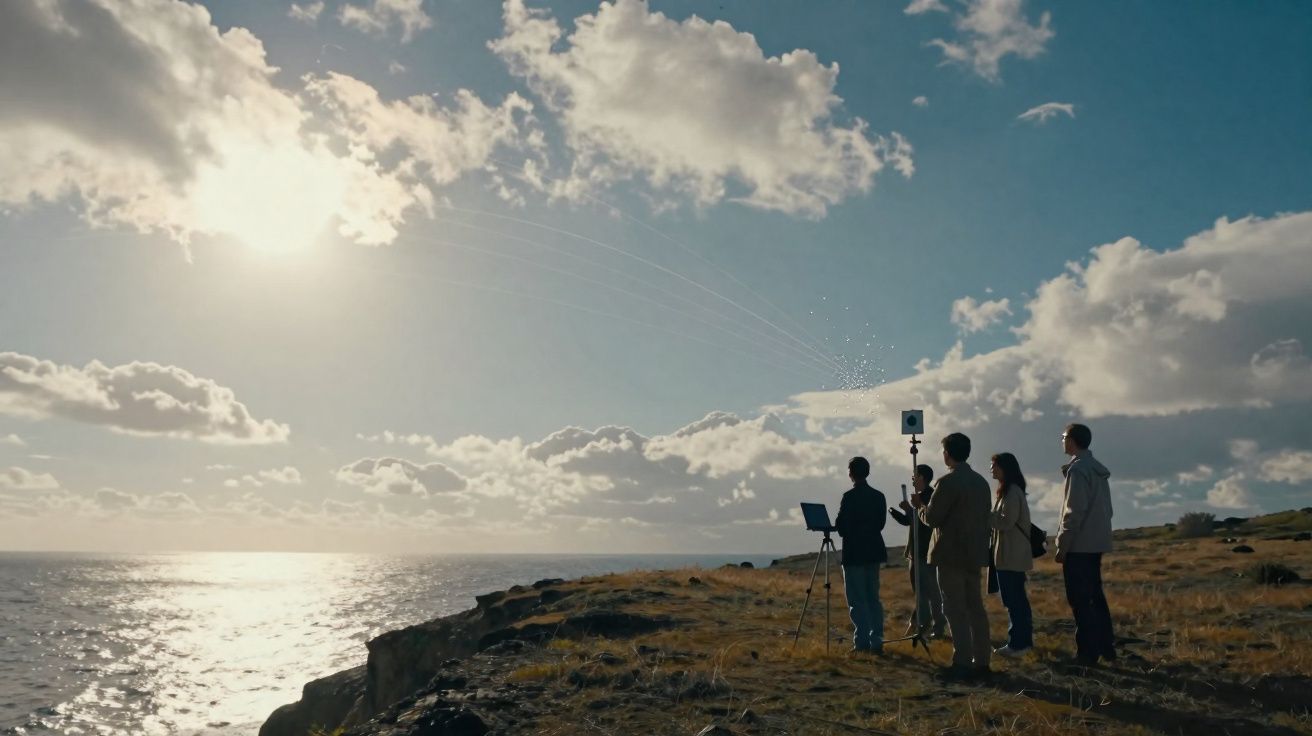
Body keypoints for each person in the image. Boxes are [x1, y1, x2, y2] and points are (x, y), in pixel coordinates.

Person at [912, 432, 992, 679]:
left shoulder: (947, 483)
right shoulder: (981, 482)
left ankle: (962, 661)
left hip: (950, 554)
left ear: (948, 453)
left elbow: (933, 518)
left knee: (955, 609)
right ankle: (982, 659)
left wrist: (920, 507)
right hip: (974, 552)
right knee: (975, 608)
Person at [1056, 423, 1116, 665]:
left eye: (1063, 437)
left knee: (1080, 600)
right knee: (1095, 596)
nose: (1061, 441)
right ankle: (1105, 646)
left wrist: (1063, 543)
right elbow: (1107, 510)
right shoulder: (1096, 470)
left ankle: (1087, 653)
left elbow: (1074, 511)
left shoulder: (1078, 470)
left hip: (1079, 544)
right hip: (1096, 541)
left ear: (1071, 440)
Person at [835, 456, 888, 654]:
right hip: (873, 552)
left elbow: (841, 526)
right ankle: (877, 640)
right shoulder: (879, 496)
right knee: (873, 597)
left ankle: (862, 642)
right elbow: (880, 524)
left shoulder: (849, 497)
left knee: (857, 600)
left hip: (855, 553)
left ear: (851, 473)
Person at [889, 464, 947, 638]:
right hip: (917, 551)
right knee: (922, 593)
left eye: (914, 476)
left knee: (930, 593)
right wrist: (899, 513)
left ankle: (932, 627)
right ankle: (924, 625)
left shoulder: (928, 497)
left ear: (922, 477)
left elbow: (925, 521)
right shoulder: (922, 497)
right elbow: (911, 522)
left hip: (923, 551)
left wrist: (909, 509)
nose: (912, 479)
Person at [989, 452, 1034, 657]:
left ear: (1005, 468)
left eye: (995, 466)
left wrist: (986, 515)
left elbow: (1006, 522)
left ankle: (1019, 643)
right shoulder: (1009, 491)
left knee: (1015, 601)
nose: (992, 469)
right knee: (1015, 600)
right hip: (1009, 554)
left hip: (1012, 555)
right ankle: (1019, 641)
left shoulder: (1012, 492)